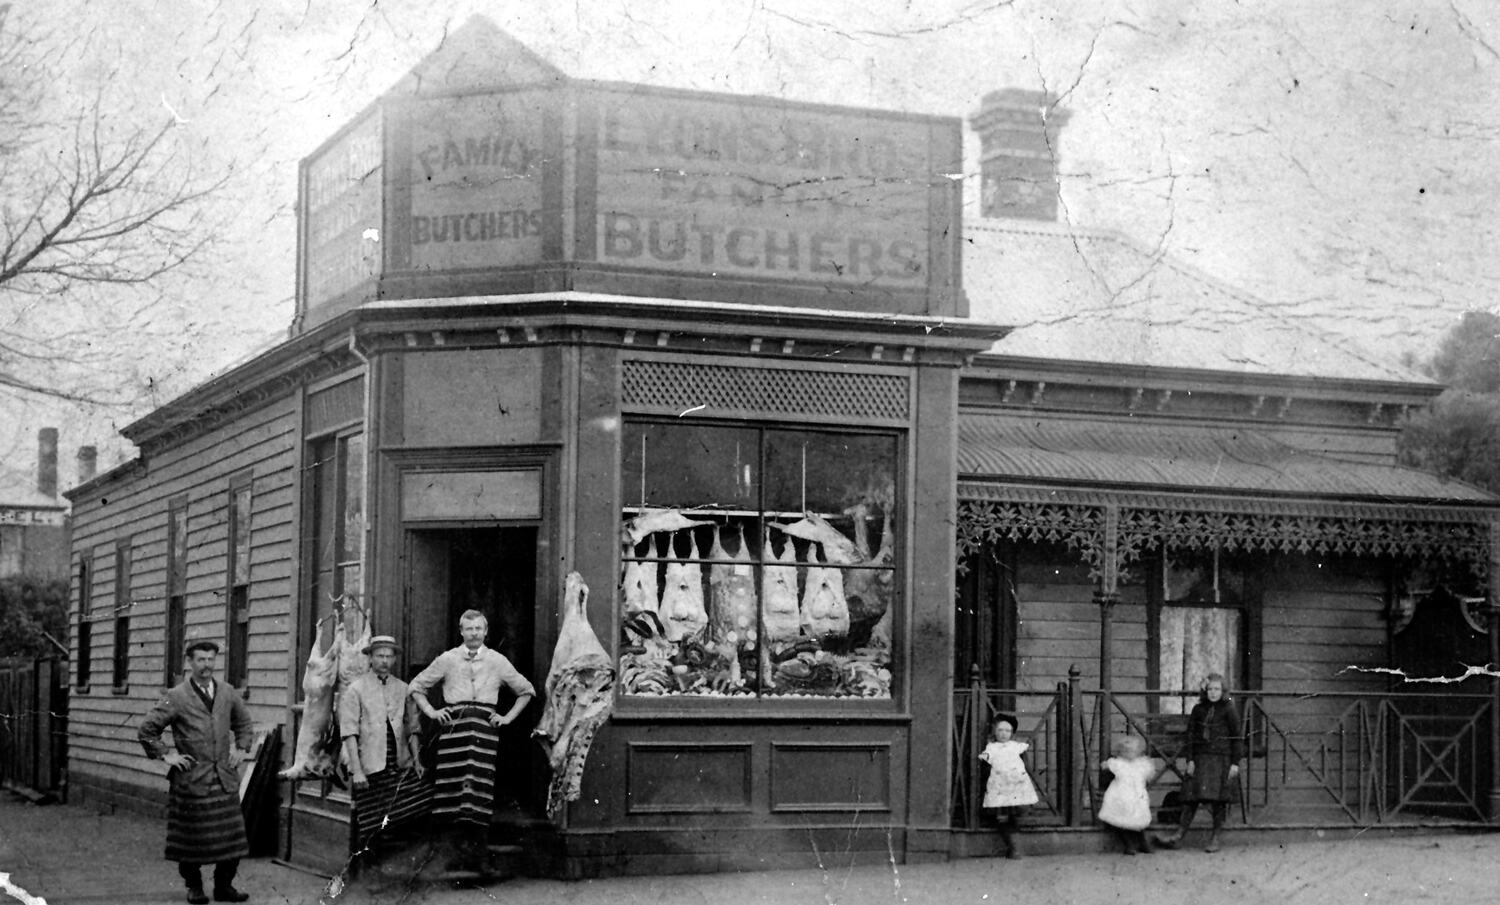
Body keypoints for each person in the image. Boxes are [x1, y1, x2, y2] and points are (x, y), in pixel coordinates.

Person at [409, 609, 535, 869]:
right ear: (461, 631)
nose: (474, 633)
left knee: (479, 791)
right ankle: (449, 859)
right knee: (451, 791)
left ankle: (477, 859)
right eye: (469, 629)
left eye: (478, 628)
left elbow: (526, 691)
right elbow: (416, 687)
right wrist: (432, 711)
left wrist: (507, 717)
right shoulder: (448, 659)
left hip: (484, 734)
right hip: (454, 731)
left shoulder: (497, 661)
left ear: (486, 631)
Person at [138, 640, 255, 904]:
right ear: (189, 662)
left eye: (211, 659)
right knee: (190, 842)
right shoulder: (176, 695)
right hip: (191, 781)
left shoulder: (227, 692)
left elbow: (244, 723)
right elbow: (147, 730)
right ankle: (194, 887)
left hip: (223, 779)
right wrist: (168, 755)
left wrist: (242, 748)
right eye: (201, 660)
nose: (206, 665)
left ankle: (224, 887)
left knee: (231, 840)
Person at [339, 635, 429, 849]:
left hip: (398, 763)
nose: (384, 661)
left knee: (416, 806)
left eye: (389, 656)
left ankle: (395, 865)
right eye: (380, 656)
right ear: (370, 657)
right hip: (369, 766)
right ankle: (365, 872)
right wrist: (358, 770)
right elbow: (349, 732)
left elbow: (413, 728)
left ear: (395, 660)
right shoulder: (356, 689)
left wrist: (417, 761)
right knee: (371, 822)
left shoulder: (403, 688)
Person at [1156, 673, 1244, 853]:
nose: (1213, 693)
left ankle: (1215, 838)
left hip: (1222, 758)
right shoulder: (1198, 709)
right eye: (1210, 689)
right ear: (1205, 691)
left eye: (1217, 689)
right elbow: (1190, 736)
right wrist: (1190, 760)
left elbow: (1237, 737)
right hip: (1201, 758)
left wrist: (1235, 763)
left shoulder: (1229, 709)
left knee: (1219, 800)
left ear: (1223, 691)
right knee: (1191, 797)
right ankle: (1179, 835)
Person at [977, 713, 1038, 859]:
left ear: (1012, 733)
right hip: (999, 788)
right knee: (1002, 817)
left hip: (1015, 787)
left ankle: (1015, 849)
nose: (1004, 734)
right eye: (1000, 730)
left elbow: (1026, 766)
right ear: (994, 731)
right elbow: (985, 768)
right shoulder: (991, 748)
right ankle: (1013, 848)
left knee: (1012, 817)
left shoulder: (1017, 747)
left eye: (1007, 731)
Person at [1098, 734, 1158, 855]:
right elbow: (1107, 774)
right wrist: (1106, 768)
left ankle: (1142, 842)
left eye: (1132, 751)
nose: (1130, 754)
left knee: (1138, 818)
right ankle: (1128, 844)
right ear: (1121, 753)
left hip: (1136, 796)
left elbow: (1147, 775)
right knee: (1122, 818)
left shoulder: (1140, 764)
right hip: (1120, 795)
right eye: (1126, 751)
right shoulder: (1118, 764)